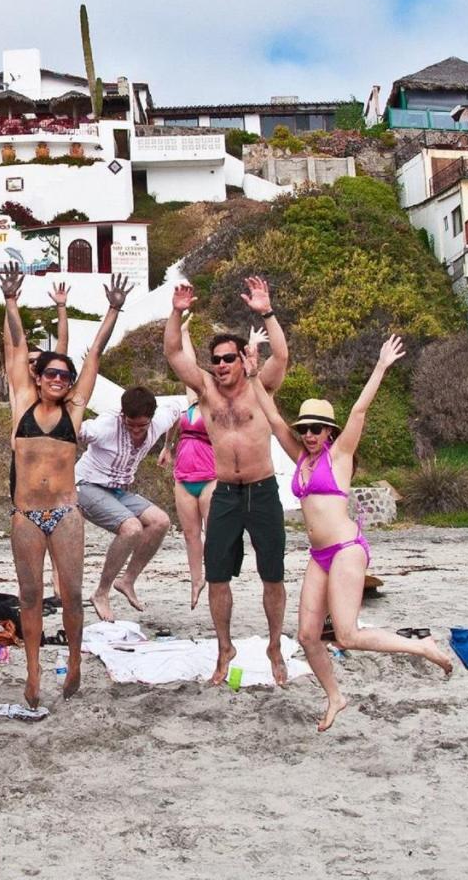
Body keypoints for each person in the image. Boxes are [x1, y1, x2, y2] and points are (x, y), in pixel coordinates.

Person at [243, 334, 452, 730]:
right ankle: (335, 696)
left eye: (317, 430)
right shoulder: (300, 456)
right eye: (305, 429)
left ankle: (421, 647)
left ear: (329, 433)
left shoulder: (339, 456)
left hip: (346, 549)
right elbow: (271, 416)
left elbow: (358, 411)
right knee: (307, 635)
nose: (308, 435)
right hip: (319, 555)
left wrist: (380, 366)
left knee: (348, 634)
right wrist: (254, 373)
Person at [2, 264, 133, 706]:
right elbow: (16, 349)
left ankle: (74, 660)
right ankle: (34, 673)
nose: (57, 379)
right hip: (25, 515)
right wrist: (11, 301)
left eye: (64, 375)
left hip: (66, 512)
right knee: (30, 594)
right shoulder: (22, 400)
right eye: (51, 374)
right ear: (38, 378)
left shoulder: (74, 412)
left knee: (73, 594)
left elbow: (94, 354)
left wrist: (112, 310)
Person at [163, 276, 290, 686]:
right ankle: (224, 648)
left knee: (272, 575)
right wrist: (177, 311)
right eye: (215, 359)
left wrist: (266, 312)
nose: (220, 366)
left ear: (241, 359)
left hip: (263, 490)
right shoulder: (205, 392)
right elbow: (172, 353)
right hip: (226, 494)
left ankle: (274, 646)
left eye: (227, 359)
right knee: (217, 576)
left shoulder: (260, 387)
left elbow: (283, 356)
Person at [75, 385, 183, 621]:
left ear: (150, 420)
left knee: (160, 521)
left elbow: (177, 411)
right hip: (85, 485)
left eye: (141, 426)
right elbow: (73, 430)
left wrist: (168, 446)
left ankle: (127, 580)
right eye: (130, 424)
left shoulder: (158, 420)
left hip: (117, 490)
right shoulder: (106, 425)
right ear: (123, 416)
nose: (135, 430)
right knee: (131, 528)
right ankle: (101, 592)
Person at [3, 281, 70, 603]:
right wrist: (10, 303)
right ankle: (32, 590)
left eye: (37, 362)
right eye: (29, 362)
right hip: (22, 470)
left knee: (60, 526)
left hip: (53, 475)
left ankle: (59, 588)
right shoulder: (22, 392)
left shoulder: (54, 396)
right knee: (27, 528)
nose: (32, 365)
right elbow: (14, 345)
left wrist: (61, 308)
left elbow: (63, 353)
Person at [167, 312, 217, 610]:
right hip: (183, 477)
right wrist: (184, 332)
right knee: (190, 534)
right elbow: (187, 365)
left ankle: (215, 579)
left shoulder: (214, 407)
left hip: (210, 476)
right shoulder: (190, 405)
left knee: (212, 533)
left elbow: (194, 366)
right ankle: (196, 580)